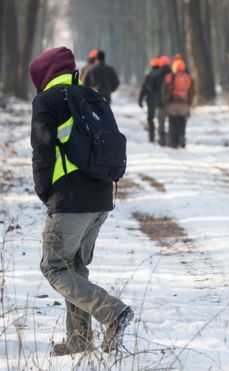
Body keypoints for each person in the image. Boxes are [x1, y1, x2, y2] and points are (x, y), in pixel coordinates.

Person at [28, 46, 134, 356]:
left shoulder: (47, 100)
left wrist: (44, 191)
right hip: (101, 198)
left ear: (43, 76)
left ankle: (112, 311)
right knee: (74, 267)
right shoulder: (91, 96)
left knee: (54, 267)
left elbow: (42, 151)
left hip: (70, 199)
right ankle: (79, 342)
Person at [161, 59, 194, 148]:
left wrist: (165, 104)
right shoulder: (188, 78)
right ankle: (182, 138)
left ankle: (174, 142)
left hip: (173, 104)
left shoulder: (169, 77)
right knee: (182, 122)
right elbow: (192, 92)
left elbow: (164, 91)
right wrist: (189, 103)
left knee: (173, 123)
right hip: (184, 104)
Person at [149, 55, 172, 146]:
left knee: (161, 122)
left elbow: (151, 87)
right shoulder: (172, 73)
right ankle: (171, 139)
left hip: (160, 102)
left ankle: (162, 140)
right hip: (171, 102)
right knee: (172, 122)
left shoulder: (156, 74)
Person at [139, 57, 160, 143]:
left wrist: (140, 100)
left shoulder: (149, 75)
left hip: (151, 100)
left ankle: (152, 136)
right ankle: (162, 137)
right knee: (161, 118)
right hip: (161, 100)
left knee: (150, 119)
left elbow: (144, 88)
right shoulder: (163, 75)